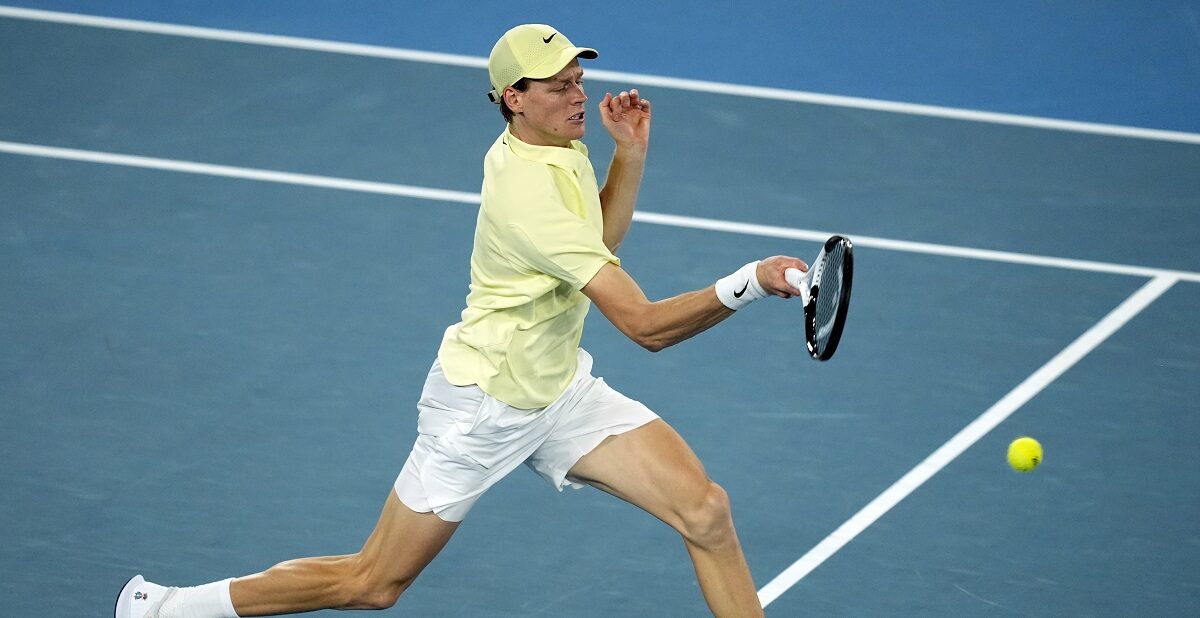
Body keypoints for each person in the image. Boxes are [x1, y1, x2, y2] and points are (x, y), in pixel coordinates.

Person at [116, 23, 807, 618]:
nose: (579, 96)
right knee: (373, 582)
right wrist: (749, 282)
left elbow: (600, 241)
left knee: (706, 512)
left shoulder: (556, 145)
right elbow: (646, 327)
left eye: (577, 79)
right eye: (560, 87)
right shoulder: (528, 195)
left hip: (558, 386)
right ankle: (171, 608)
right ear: (514, 99)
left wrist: (628, 153)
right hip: (485, 405)